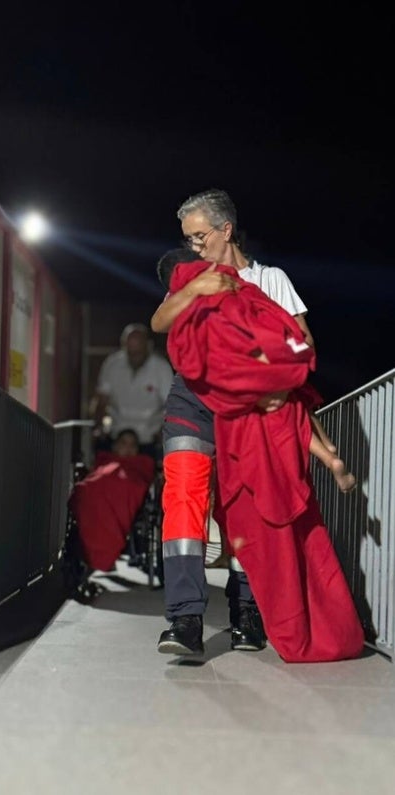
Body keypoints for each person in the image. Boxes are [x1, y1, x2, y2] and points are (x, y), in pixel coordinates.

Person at [152, 188, 351, 657]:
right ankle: (184, 620)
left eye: (200, 236)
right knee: (183, 498)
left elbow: (302, 342)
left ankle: (246, 613)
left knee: (244, 508)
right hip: (192, 399)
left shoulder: (272, 279)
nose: (194, 245)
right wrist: (195, 290)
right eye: (188, 238)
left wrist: (281, 383)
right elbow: (160, 321)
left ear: (225, 229)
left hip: (250, 410)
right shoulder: (191, 276)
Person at [68, 428, 156, 574]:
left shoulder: (142, 463)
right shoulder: (105, 459)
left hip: (127, 486)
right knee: (85, 489)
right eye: (124, 443)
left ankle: (103, 551)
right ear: (115, 446)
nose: (128, 448)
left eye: (132, 445)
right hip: (99, 485)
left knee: (119, 486)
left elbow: (141, 482)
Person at [90, 323, 174, 458]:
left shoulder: (161, 368)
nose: (134, 356)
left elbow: (171, 405)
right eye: (130, 351)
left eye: (138, 352)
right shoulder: (112, 364)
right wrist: (97, 427)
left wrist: (162, 432)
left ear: (148, 346)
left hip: (149, 438)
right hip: (117, 435)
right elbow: (101, 399)